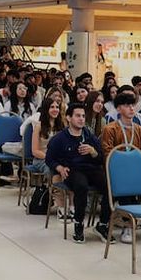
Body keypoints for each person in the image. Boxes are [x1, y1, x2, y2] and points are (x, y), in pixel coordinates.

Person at [45, 103, 111, 244]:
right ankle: (78, 224)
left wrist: (93, 152)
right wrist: (60, 168)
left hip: (91, 169)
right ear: (69, 118)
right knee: (81, 186)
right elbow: (49, 159)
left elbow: (101, 158)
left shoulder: (89, 136)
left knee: (109, 186)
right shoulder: (60, 138)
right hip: (72, 170)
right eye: (77, 116)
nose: (81, 119)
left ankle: (103, 224)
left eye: (83, 116)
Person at [100, 91, 141, 156]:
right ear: (118, 109)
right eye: (127, 106)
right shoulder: (110, 129)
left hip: (134, 163)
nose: (131, 108)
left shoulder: (139, 129)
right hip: (116, 164)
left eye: (133, 105)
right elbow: (107, 154)